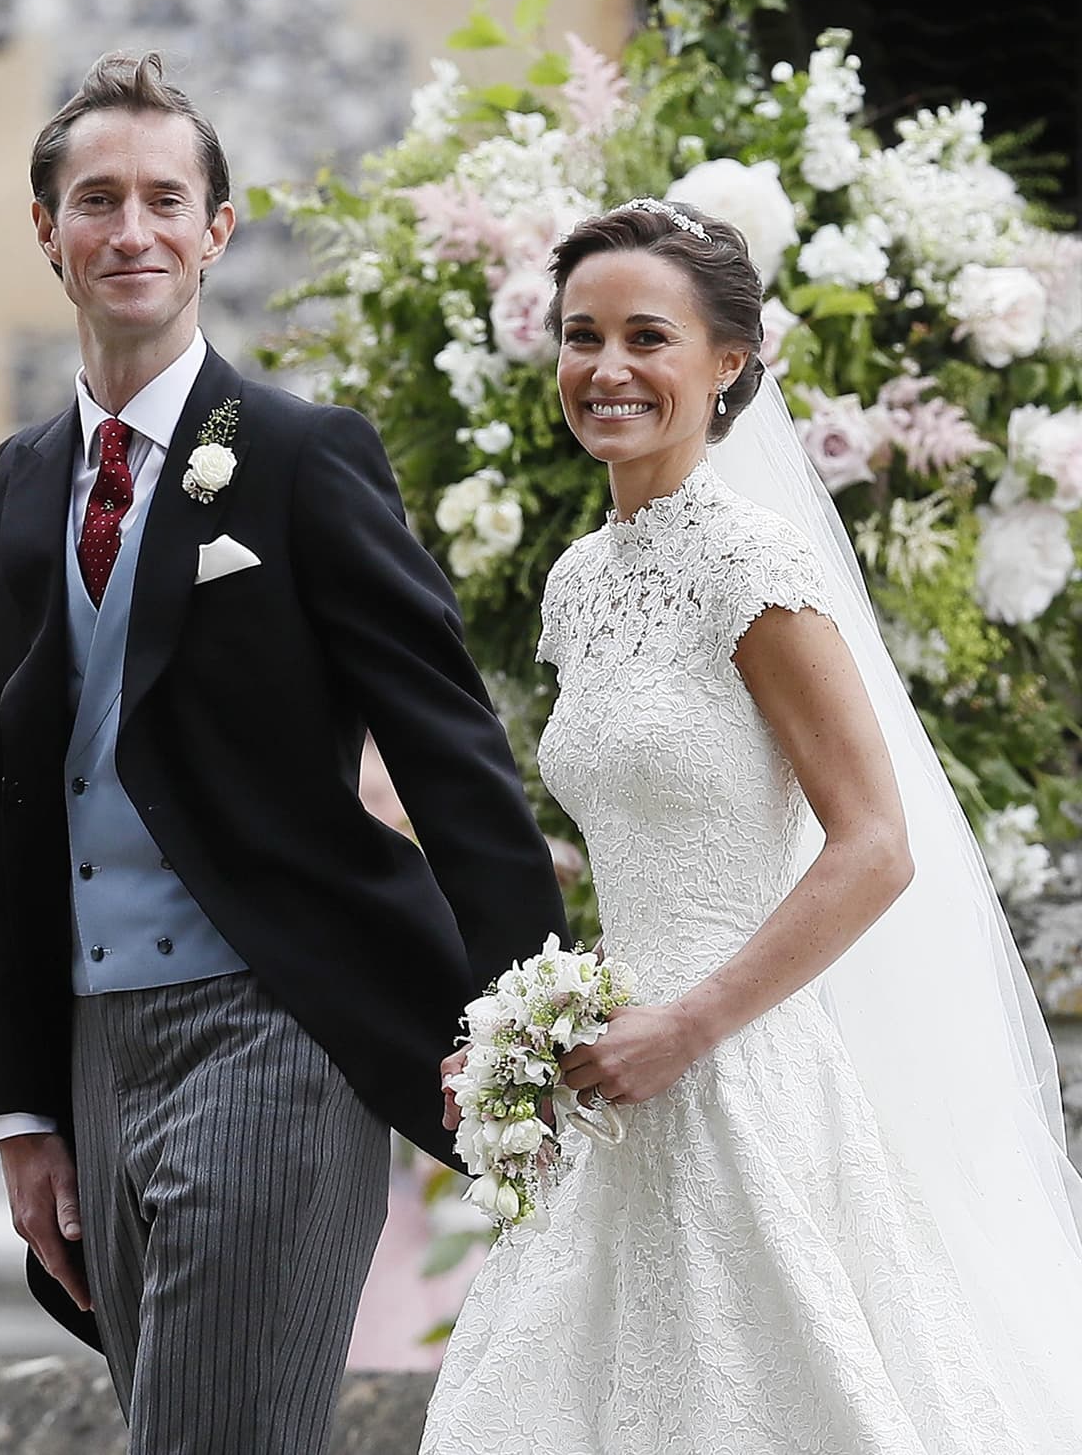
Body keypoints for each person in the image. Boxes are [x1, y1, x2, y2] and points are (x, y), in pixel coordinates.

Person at [0, 50, 567, 1455]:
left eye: (165, 199)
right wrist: (19, 1108)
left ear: (216, 230)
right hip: (94, 1048)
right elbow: (2, 810)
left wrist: (530, 1027)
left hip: (277, 1024)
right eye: (96, 200)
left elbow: (448, 745)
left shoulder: (295, 452)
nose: (132, 230)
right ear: (45, 230)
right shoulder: (18, 483)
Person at [422, 198, 1082, 1453]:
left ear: (728, 362)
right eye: (581, 336)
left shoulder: (753, 564)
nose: (606, 368)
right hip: (611, 1081)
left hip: (743, 1068)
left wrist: (690, 1024)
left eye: (645, 337)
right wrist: (520, 1042)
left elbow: (876, 843)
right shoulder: (576, 580)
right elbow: (637, 824)